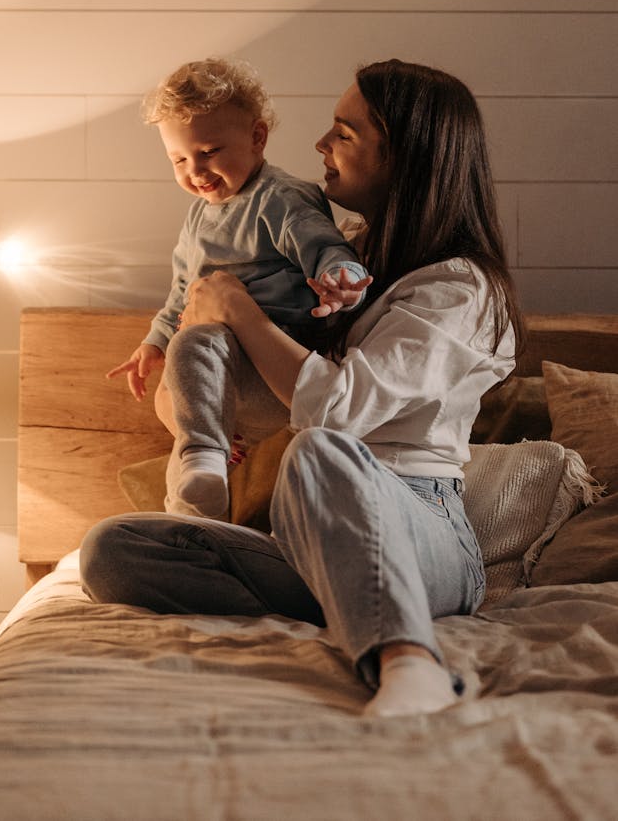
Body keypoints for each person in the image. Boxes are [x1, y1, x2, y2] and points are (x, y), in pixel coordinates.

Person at [82, 58, 524, 718]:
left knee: (317, 451)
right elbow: (193, 383)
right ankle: (350, 586)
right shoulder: (341, 263)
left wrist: (238, 308)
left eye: (343, 132)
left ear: (405, 153)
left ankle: (411, 660)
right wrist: (194, 398)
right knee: (112, 551)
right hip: (307, 523)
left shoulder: (460, 289)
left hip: (420, 521)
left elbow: (338, 414)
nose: (320, 145)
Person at [110, 58, 371, 519]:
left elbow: (325, 247)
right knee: (181, 370)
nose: (196, 169)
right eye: (180, 159)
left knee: (195, 342)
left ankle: (203, 459)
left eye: (209, 151)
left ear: (257, 137)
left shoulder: (281, 198)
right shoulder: (198, 217)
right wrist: (153, 342)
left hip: (277, 365)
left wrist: (342, 279)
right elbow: (183, 293)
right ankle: (193, 513)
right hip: (221, 373)